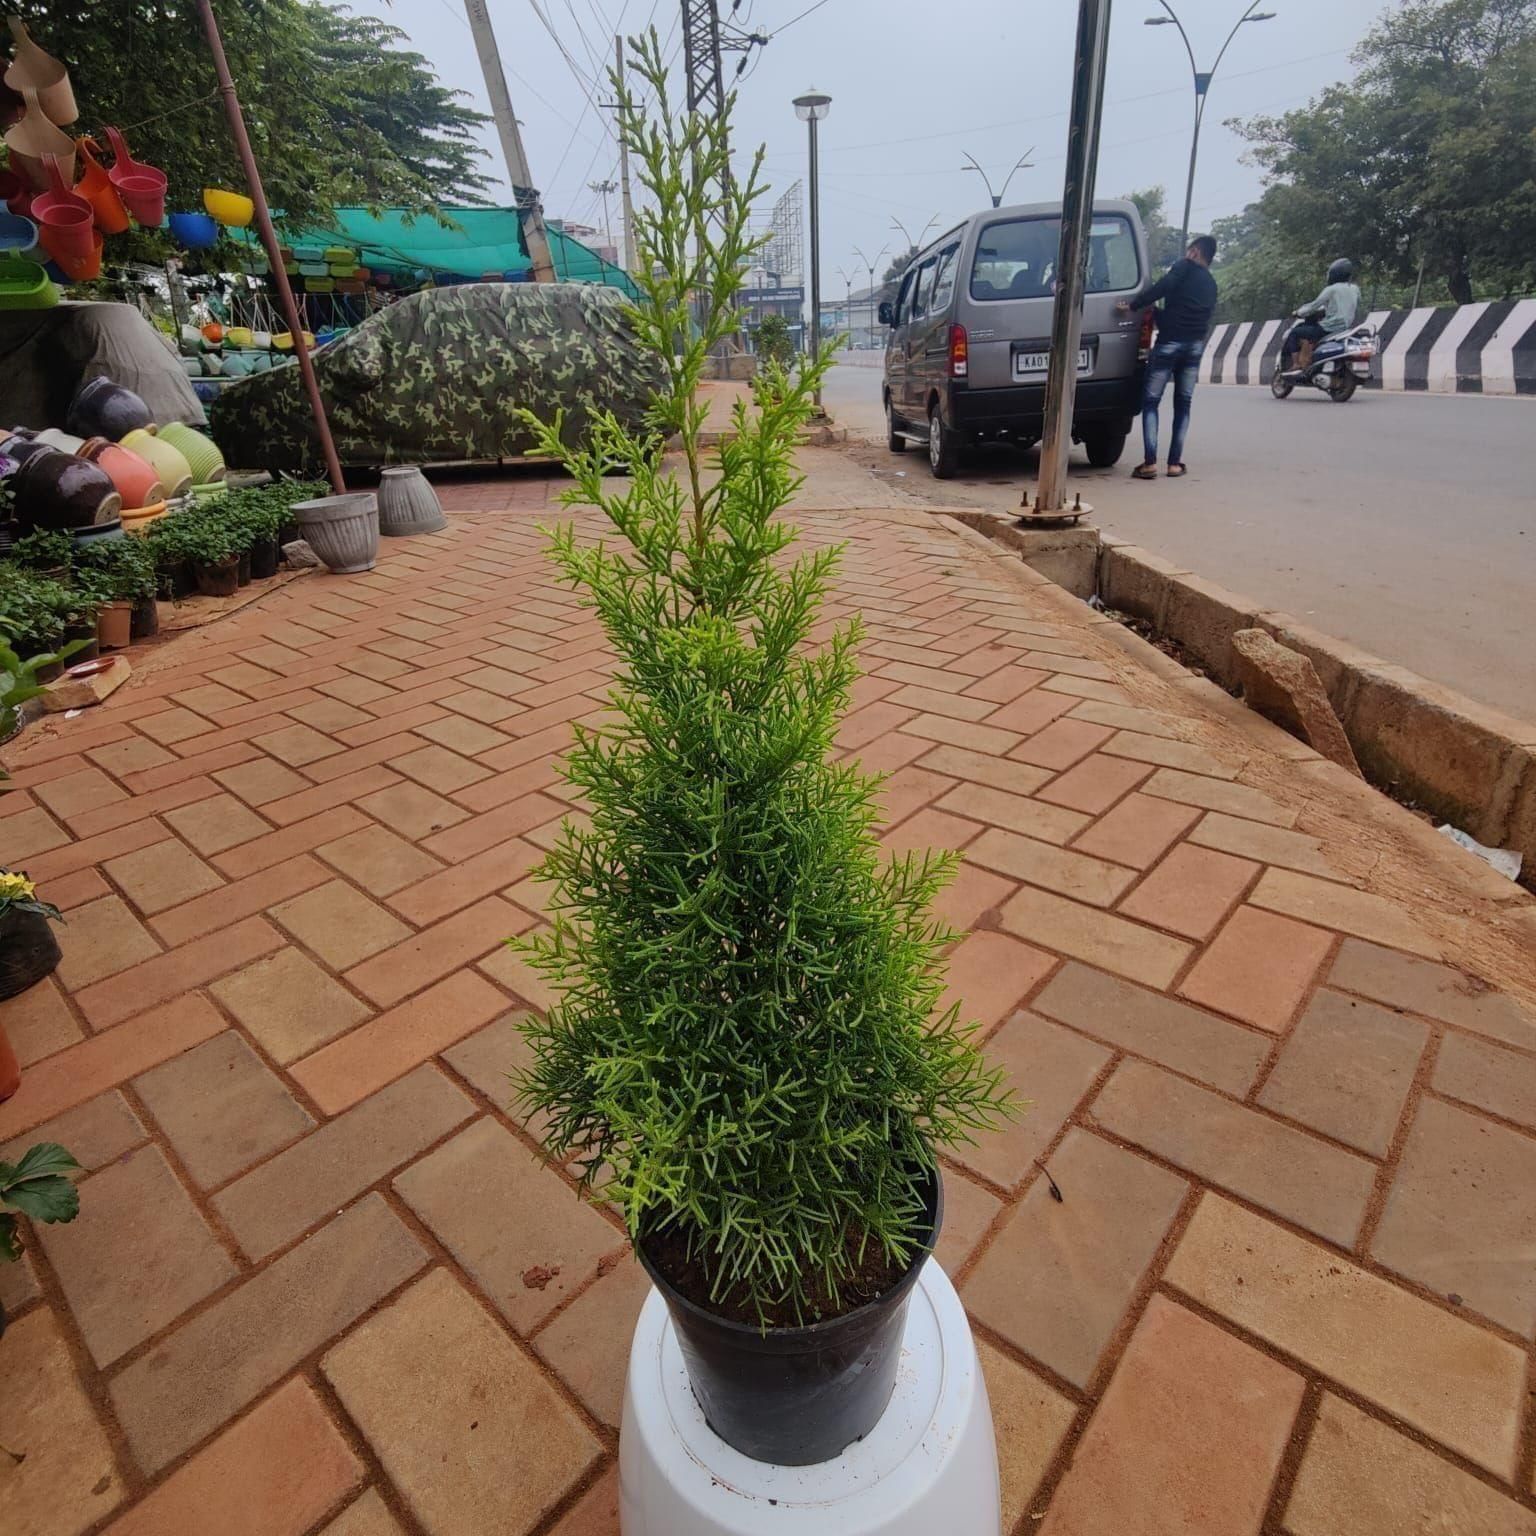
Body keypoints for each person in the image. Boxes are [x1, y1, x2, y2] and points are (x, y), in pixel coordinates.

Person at [1116, 234, 1218, 480]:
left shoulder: (1184, 267)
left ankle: (1150, 462)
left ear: (1194, 252)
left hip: (1169, 344)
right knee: (1183, 404)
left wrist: (1134, 305)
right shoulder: (1212, 284)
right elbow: (1190, 313)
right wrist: (1159, 313)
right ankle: (1174, 464)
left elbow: (1163, 286)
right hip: (1194, 347)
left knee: (1151, 401)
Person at [1281, 259, 1361, 371]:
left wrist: (1298, 312)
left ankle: (1296, 364)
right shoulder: (1355, 289)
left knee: (1295, 333)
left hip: (1329, 327)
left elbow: (1313, 306)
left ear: (1333, 274)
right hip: (1346, 327)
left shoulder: (1331, 289)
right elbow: (1348, 304)